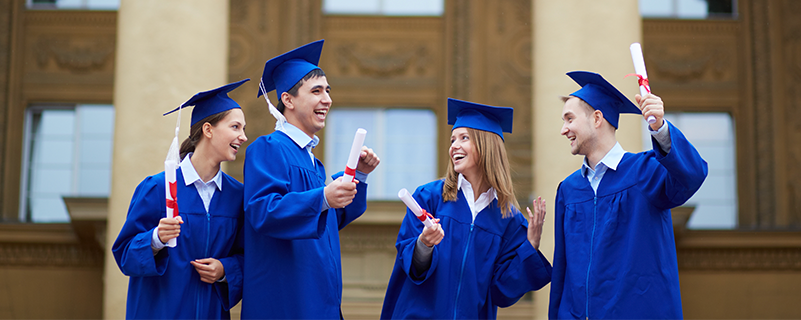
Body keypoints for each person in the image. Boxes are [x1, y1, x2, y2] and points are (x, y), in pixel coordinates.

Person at [549, 71, 708, 319]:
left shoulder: (646, 172)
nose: (563, 129)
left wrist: (661, 129)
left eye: (569, 119)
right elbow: (562, 271)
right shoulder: (569, 190)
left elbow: (692, 175)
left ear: (597, 118)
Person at [242, 39, 380, 320]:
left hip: (321, 299)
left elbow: (327, 221)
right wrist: (323, 197)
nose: (327, 99)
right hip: (288, 301)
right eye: (316, 91)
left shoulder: (312, 161)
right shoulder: (269, 148)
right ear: (288, 99)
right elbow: (263, 211)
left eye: (328, 91)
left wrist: (358, 176)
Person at [380, 98, 553, 320]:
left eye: (464, 138)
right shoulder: (429, 198)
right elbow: (411, 267)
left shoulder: (508, 219)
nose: (454, 146)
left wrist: (530, 246)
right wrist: (424, 244)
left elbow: (502, 292)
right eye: (453, 139)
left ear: (487, 145)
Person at [112, 79, 250, 320]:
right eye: (236, 127)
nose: (243, 137)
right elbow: (125, 254)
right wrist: (156, 238)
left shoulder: (236, 196)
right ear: (208, 130)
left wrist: (224, 269)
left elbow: (248, 256)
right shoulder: (157, 187)